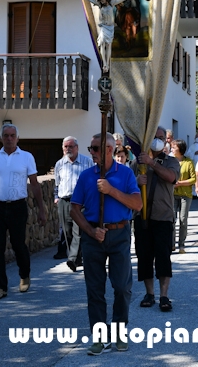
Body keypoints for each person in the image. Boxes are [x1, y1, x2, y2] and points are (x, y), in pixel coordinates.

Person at [70, 132, 142, 355]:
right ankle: (99, 337)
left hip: (119, 234)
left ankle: (120, 331)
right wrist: (91, 230)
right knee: (94, 289)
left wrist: (111, 190)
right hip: (93, 237)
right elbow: (74, 208)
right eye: (91, 148)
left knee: (121, 286)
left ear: (109, 150)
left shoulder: (126, 174)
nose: (91, 152)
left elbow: (137, 204)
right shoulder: (85, 176)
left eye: (95, 148)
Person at [0, 123, 47, 300]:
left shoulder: (26, 157)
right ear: (1, 138)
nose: (9, 138)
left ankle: (24, 274)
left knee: (18, 244)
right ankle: (1, 286)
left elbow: (35, 184)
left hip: (17, 206)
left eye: (12, 135)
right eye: (6, 135)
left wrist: (41, 209)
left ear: (17, 138)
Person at [135, 127, 180, 312]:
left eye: (161, 138)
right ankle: (149, 293)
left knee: (163, 257)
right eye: (154, 137)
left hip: (163, 216)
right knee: (144, 257)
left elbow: (171, 178)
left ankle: (164, 295)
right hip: (142, 215)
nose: (158, 140)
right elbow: (126, 184)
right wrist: (136, 180)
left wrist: (152, 163)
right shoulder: (137, 163)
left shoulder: (170, 161)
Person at [54, 136, 94, 269]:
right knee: (67, 231)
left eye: (71, 146)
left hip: (80, 202)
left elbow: (92, 182)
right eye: (66, 147)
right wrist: (56, 197)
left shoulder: (87, 162)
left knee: (79, 230)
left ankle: (73, 258)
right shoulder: (59, 164)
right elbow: (57, 184)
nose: (68, 149)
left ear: (77, 147)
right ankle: (77, 257)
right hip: (64, 201)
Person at [172, 140, 196, 254]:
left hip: (185, 195)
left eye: (174, 147)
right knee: (171, 219)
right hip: (172, 194)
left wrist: (180, 183)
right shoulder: (170, 162)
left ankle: (181, 244)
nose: (172, 149)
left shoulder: (188, 162)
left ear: (180, 149)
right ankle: (171, 243)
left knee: (183, 220)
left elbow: (193, 179)